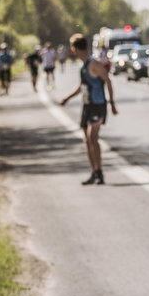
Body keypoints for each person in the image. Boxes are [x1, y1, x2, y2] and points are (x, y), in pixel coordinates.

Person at [59, 33, 117, 185]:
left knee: (92, 137)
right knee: (87, 140)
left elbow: (108, 80)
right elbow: (81, 87)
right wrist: (67, 98)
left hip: (98, 105)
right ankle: (94, 172)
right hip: (87, 105)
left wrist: (112, 103)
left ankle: (100, 172)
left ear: (75, 49)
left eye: (72, 48)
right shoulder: (84, 66)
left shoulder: (94, 64)